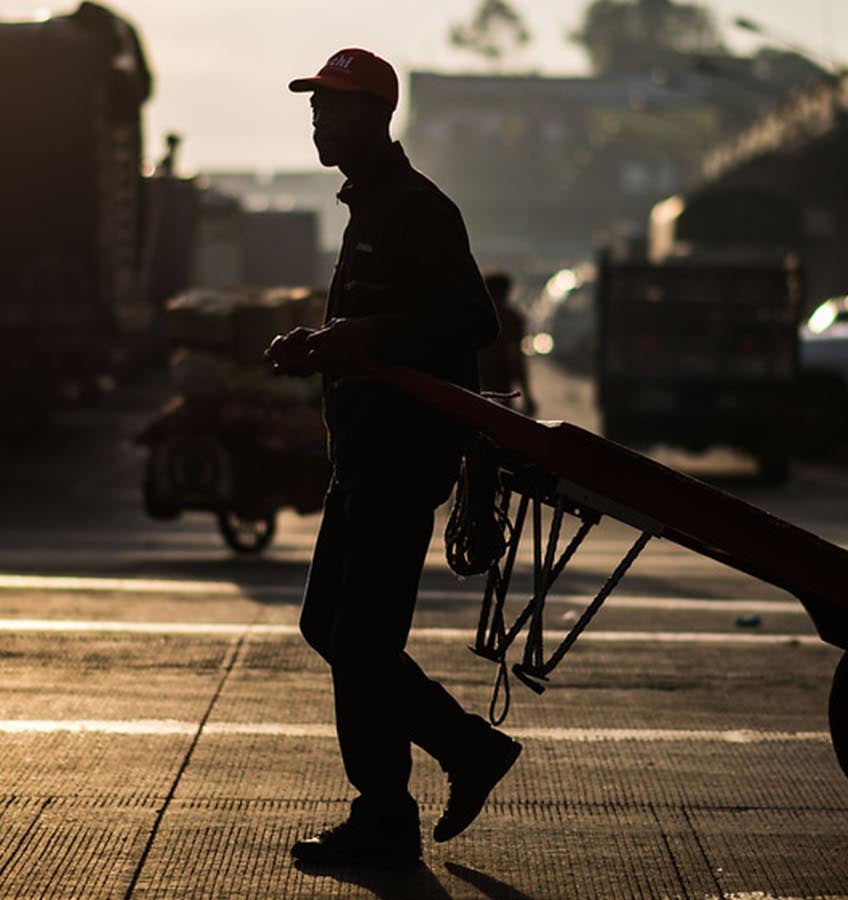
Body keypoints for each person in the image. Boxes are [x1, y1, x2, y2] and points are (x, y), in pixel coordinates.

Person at [266, 47, 520, 867]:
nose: (317, 117)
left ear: (376, 115)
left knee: (361, 640)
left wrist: (362, 337)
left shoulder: (415, 209)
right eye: (314, 104)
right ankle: (464, 749)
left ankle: (385, 815)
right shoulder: (369, 209)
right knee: (329, 627)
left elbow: (469, 320)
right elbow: (376, 333)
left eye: (333, 105)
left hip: (403, 456)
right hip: (365, 452)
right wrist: (323, 346)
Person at [477, 270, 536, 415]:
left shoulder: (478, 316)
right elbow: (516, 356)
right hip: (501, 383)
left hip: (479, 382)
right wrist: (527, 394)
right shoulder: (512, 318)